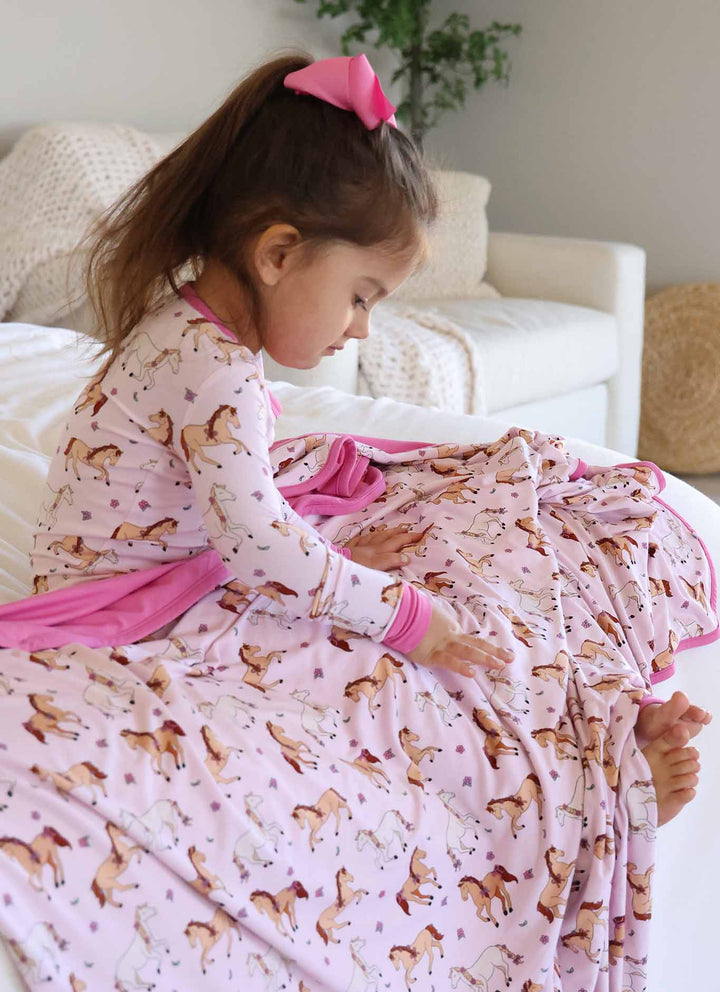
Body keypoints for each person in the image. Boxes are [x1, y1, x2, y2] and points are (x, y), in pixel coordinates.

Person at [25, 51, 708, 827]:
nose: (360, 329)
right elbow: (254, 546)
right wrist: (406, 617)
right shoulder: (215, 375)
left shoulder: (186, 325)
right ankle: (590, 782)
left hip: (160, 572)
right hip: (134, 610)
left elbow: (225, 512)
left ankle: (600, 724)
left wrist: (323, 551)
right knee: (375, 674)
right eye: (360, 297)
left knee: (365, 586)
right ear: (278, 255)